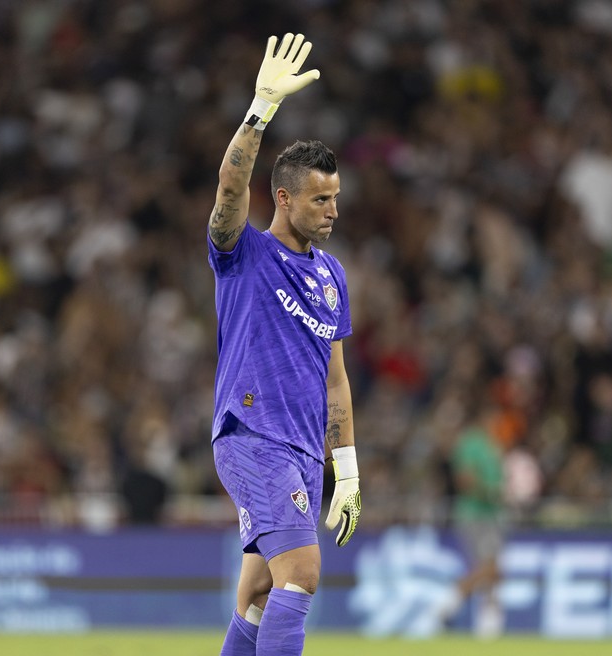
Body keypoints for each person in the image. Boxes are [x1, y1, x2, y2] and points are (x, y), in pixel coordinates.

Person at [207, 34, 362, 656]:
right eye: (320, 200)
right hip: (252, 437)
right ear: (284, 198)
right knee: (302, 573)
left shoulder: (332, 276)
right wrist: (260, 108)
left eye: (336, 198)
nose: (331, 211)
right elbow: (226, 192)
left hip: (300, 452)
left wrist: (345, 471)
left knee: (262, 595)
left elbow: (335, 379)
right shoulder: (244, 253)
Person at [441, 402, 506, 638]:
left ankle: (488, 626)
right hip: (474, 514)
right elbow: (464, 480)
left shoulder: (493, 445)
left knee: (492, 571)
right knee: (489, 568)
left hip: (491, 515)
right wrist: (489, 493)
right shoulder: (471, 443)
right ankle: (447, 604)